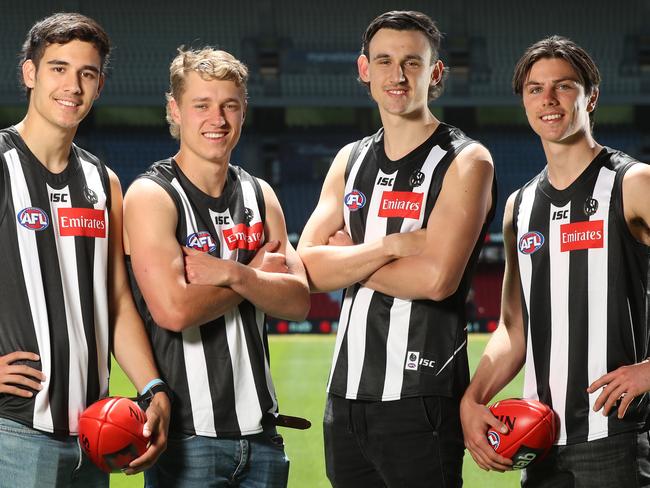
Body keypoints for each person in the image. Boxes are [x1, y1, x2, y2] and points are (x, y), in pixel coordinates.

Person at [297, 10, 496, 487]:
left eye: (413, 62)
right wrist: (391, 245)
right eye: (384, 61)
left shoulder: (466, 161)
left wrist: (346, 260)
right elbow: (303, 264)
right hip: (343, 398)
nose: (398, 74)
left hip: (421, 397)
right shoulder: (350, 158)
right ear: (364, 70)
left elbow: (436, 279)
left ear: (436, 72)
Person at [460, 35, 650, 487]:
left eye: (564, 86)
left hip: (617, 435)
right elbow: (513, 327)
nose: (548, 99)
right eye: (534, 88)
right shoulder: (519, 207)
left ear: (591, 96)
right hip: (539, 440)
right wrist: (473, 398)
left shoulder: (633, 183)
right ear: (523, 101)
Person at [123, 47, 310, 488]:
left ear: (244, 111)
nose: (217, 119)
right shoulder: (152, 196)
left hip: (263, 437)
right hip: (187, 441)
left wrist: (232, 273)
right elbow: (175, 310)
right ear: (175, 109)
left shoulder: (261, 194)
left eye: (230, 105)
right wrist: (258, 274)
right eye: (202, 105)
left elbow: (299, 300)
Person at [0, 12, 171, 487]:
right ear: (29, 73)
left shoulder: (104, 182)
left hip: (94, 435)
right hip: (12, 431)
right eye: (58, 68)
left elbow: (115, 300)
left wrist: (151, 386)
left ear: (99, 86)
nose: (72, 86)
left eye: (87, 73)